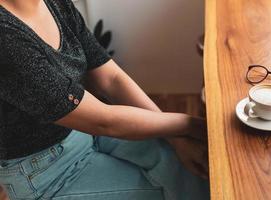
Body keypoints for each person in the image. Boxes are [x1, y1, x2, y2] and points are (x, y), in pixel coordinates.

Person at [0, 0, 210, 199]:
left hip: (84, 133)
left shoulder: (54, 3)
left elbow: (111, 78)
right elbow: (104, 121)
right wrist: (192, 126)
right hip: (45, 172)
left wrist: (177, 138)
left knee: (195, 169)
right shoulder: (6, 38)